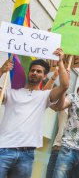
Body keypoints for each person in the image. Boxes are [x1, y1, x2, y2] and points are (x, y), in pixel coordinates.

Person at [0, 48, 69, 178]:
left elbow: (64, 85)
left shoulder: (45, 96)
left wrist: (60, 62)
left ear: (44, 76)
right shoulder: (11, 93)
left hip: (27, 154)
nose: (34, 73)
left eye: (39, 71)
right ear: (28, 73)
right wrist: (2, 70)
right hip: (3, 150)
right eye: (32, 70)